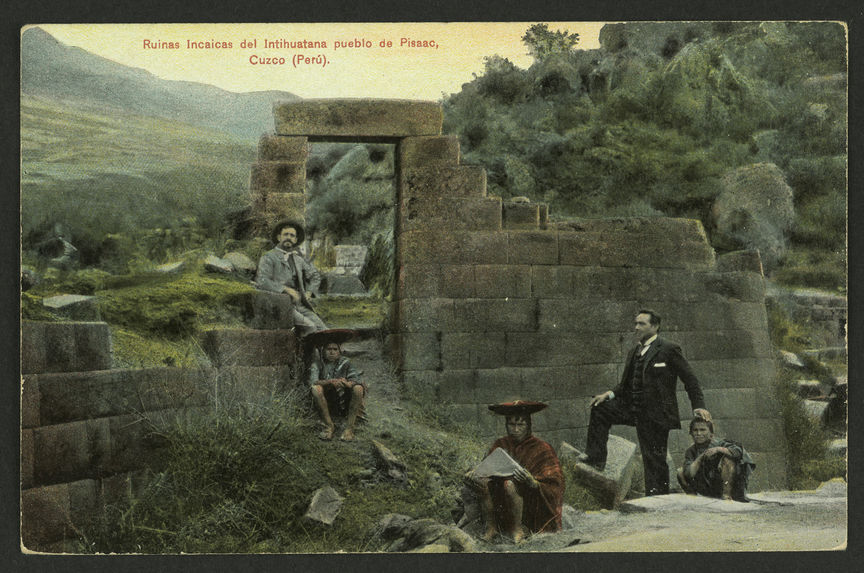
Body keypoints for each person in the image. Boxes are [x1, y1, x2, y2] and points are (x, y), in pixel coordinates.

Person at [579, 309, 711, 496]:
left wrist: (699, 406)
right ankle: (596, 458)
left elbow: (690, 379)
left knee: (654, 458)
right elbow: (624, 385)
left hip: (656, 414)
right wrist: (608, 395)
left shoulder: (668, 348)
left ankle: (658, 497)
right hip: (633, 409)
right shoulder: (635, 351)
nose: (636, 327)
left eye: (641, 324)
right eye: (635, 323)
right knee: (600, 408)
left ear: (655, 326)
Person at [466, 400, 564, 543]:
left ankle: (517, 529)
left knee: (510, 485)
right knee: (482, 482)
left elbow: (555, 483)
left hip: (529, 500)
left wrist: (534, 482)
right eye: (511, 425)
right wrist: (474, 472)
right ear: (506, 425)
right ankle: (491, 527)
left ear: (529, 426)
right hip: (499, 499)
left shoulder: (542, 448)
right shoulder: (501, 444)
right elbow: (487, 465)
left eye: (520, 425)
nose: (516, 430)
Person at [255, 220, 326, 335]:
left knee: (324, 330)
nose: (288, 238)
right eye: (285, 234)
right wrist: (285, 289)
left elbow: (315, 276)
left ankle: (320, 353)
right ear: (279, 237)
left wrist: (309, 292)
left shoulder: (298, 259)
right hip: (279, 304)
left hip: (299, 305)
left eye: (292, 235)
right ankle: (306, 353)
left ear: (296, 240)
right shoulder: (269, 257)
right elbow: (262, 281)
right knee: (310, 328)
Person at [307, 329, 366, 441]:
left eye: (335, 349)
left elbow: (356, 379)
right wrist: (329, 382)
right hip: (328, 400)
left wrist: (347, 384)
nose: (332, 352)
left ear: (339, 351)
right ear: (323, 351)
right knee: (316, 388)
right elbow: (313, 381)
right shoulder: (318, 363)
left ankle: (349, 428)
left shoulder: (346, 362)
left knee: (358, 388)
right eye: (329, 349)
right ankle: (329, 425)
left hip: (345, 398)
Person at [677, 416, 755, 501]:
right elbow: (689, 473)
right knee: (680, 471)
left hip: (726, 486)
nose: (699, 433)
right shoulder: (691, 451)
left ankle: (726, 496)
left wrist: (719, 449)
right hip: (708, 488)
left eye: (703, 430)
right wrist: (701, 457)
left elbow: (739, 451)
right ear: (691, 433)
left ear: (711, 434)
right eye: (695, 430)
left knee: (728, 459)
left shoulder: (719, 443)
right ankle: (693, 498)